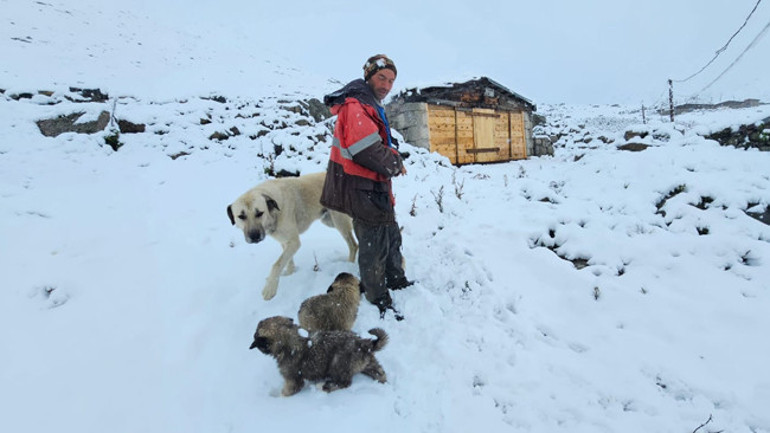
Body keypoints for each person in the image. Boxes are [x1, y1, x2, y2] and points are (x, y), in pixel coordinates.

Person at [321, 54, 413, 319]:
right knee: (373, 245)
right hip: (363, 188)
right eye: (381, 77)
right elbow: (365, 149)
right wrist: (395, 162)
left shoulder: (370, 104)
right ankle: (377, 295)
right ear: (369, 76)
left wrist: (391, 157)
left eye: (391, 80)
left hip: (375, 186)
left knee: (391, 236)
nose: (386, 85)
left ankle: (396, 279)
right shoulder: (355, 105)